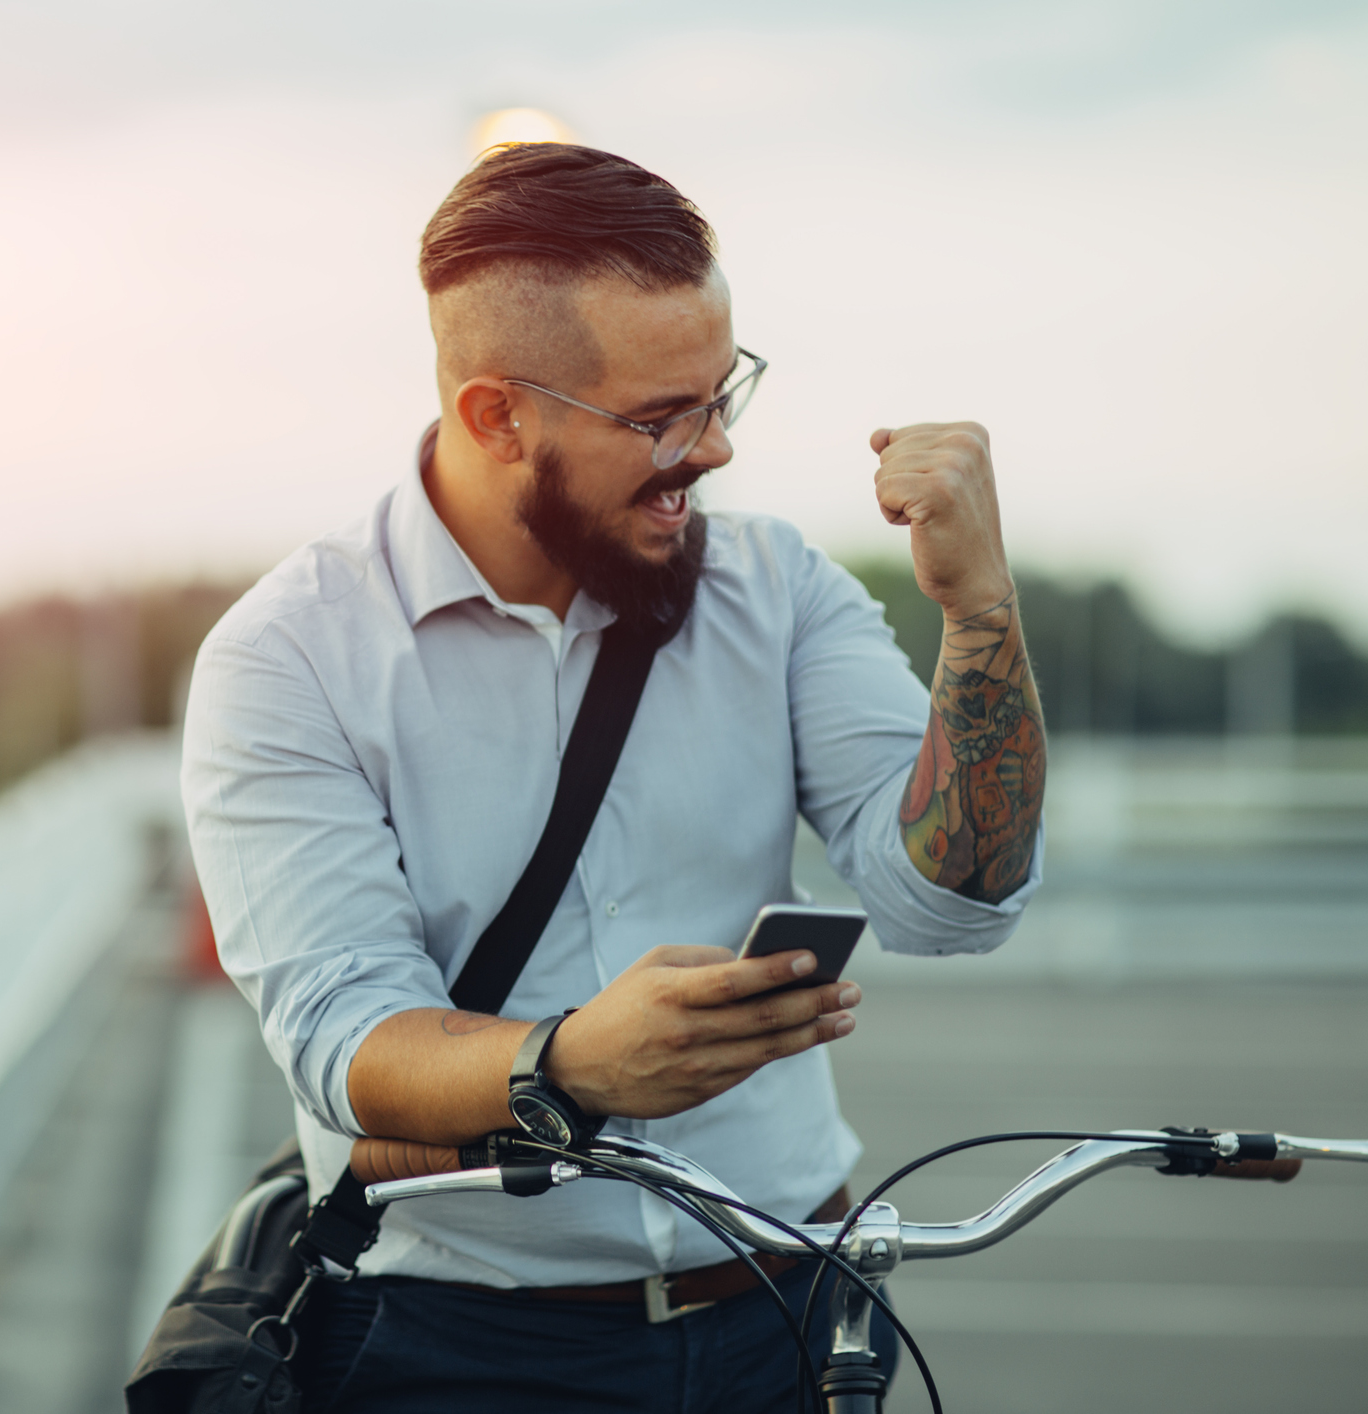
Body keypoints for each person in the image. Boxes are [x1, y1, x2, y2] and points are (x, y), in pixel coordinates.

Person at [179, 142, 1046, 1413]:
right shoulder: (288, 657)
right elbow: (342, 1035)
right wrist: (571, 1060)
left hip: (788, 1305)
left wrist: (980, 614)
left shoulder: (778, 586)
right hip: (457, 1348)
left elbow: (951, 899)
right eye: (658, 418)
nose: (715, 452)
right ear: (497, 415)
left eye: (722, 393)